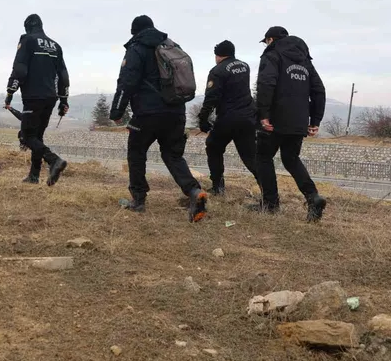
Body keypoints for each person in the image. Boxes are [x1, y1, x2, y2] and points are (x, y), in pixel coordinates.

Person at [109, 15, 208, 222]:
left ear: (135, 32)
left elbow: (126, 82)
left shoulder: (136, 48)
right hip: (176, 112)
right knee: (173, 155)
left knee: (136, 153)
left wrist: (117, 112)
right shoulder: (171, 46)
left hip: (147, 114)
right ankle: (193, 191)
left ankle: (138, 200)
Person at [254, 26, 327, 221]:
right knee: (291, 159)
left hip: (275, 119)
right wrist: (315, 120)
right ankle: (313, 197)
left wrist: (264, 114)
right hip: (298, 120)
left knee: (263, 157)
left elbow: (266, 83)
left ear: (271, 39)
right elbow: (319, 90)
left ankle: (270, 204)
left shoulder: (272, 55)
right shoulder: (305, 60)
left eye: (266, 41)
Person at [4, 14, 69, 186]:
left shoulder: (28, 41)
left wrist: (10, 92)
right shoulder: (56, 46)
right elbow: (63, 75)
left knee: (26, 136)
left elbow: (20, 69)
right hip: (51, 97)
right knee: (37, 136)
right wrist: (64, 100)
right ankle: (34, 175)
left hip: (33, 96)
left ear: (27, 27)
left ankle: (53, 160)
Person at [198, 40, 259, 194]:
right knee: (250, 157)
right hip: (248, 117)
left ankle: (218, 187)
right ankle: (269, 193)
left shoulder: (217, 71)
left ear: (218, 55)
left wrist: (203, 119)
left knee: (213, 146)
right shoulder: (245, 66)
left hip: (228, 118)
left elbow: (211, 97)